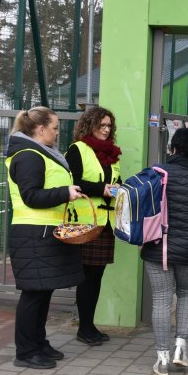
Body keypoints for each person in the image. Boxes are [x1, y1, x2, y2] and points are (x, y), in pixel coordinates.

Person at [5, 106, 84, 370]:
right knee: (33, 294)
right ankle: (25, 351)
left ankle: (38, 343)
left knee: (43, 291)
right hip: (33, 232)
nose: (57, 133)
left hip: (45, 232)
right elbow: (31, 196)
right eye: (55, 128)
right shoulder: (28, 156)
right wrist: (65, 193)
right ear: (40, 129)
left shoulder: (42, 153)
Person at [141, 127, 188, 375]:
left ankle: (161, 358)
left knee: (161, 300)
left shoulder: (156, 173)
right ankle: (180, 348)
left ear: (173, 148)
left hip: (156, 248)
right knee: (186, 294)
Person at [65, 106, 122, 346]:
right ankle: (85, 328)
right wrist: (101, 189)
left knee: (96, 276)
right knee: (87, 277)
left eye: (109, 126)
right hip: (85, 222)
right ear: (90, 125)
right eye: (102, 125)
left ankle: (88, 325)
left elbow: (115, 181)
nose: (107, 130)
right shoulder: (77, 150)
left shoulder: (113, 153)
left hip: (106, 222)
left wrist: (120, 188)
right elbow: (72, 182)